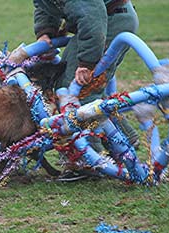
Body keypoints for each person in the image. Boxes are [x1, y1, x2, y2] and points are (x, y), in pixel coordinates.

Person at [33, 0, 140, 179]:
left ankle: (88, 161)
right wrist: (45, 32)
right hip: (98, 22)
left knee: (76, 92)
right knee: (70, 87)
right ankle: (124, 138)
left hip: (106, 22)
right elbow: (43, 5)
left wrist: (87, 62)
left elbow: (92, 16)